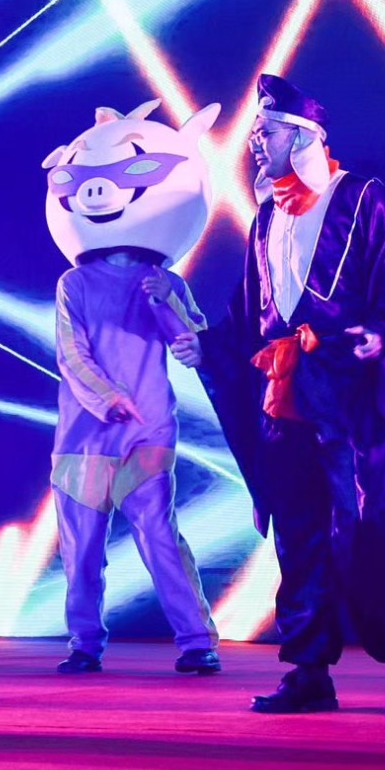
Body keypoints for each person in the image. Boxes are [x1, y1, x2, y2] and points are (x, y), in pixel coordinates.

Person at [172, 75, 385, 717]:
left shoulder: (361, 199)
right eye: (255, 133)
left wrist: (380, 334)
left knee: (364, 527)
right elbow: (249, 312)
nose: (254, 143)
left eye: (266, 132)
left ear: (304, 135)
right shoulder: (264, 218)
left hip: (347, 394)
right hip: (283, 396)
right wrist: (209, 346)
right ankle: (310, 671)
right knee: (297, 531)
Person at [40, 100, 223, 676]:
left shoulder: (165, 280)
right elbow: (72, 353)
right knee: (82, 549)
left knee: (160, 536)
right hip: (84, 437)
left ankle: (197, 641)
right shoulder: (74, 282)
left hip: (148, 430)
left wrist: (169, 305)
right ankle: (84, 643)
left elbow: (192, 342)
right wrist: (105, 397)